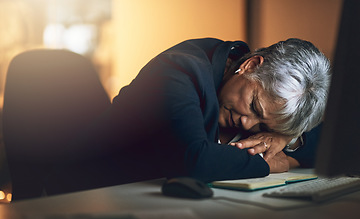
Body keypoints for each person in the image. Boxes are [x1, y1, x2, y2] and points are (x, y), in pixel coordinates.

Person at [69, 37, 331, 189]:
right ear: (250, 65)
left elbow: (331, 142)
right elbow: (193, 160)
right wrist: (271, 163)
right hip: (88, 195)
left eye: (264, 125)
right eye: (253, 107)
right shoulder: (179, 69)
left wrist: (286, 138)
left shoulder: (259, 98)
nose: (247, 123)